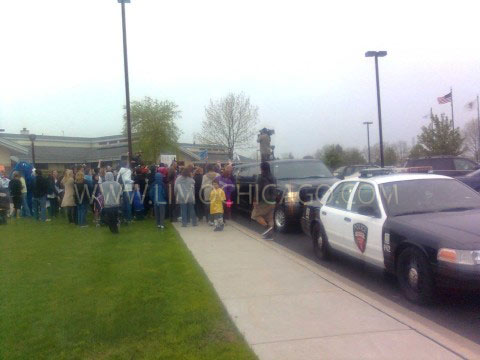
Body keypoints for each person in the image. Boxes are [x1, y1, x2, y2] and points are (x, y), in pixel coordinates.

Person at [251, 162, 277, 239]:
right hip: (272, 200)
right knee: (270, 218)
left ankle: (267, 227)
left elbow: (257, 190)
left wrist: (255, 200)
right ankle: (270, 235)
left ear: (261, 168)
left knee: (255, 215)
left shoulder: (260, 177)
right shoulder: (273, 177)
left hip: (264, 201)